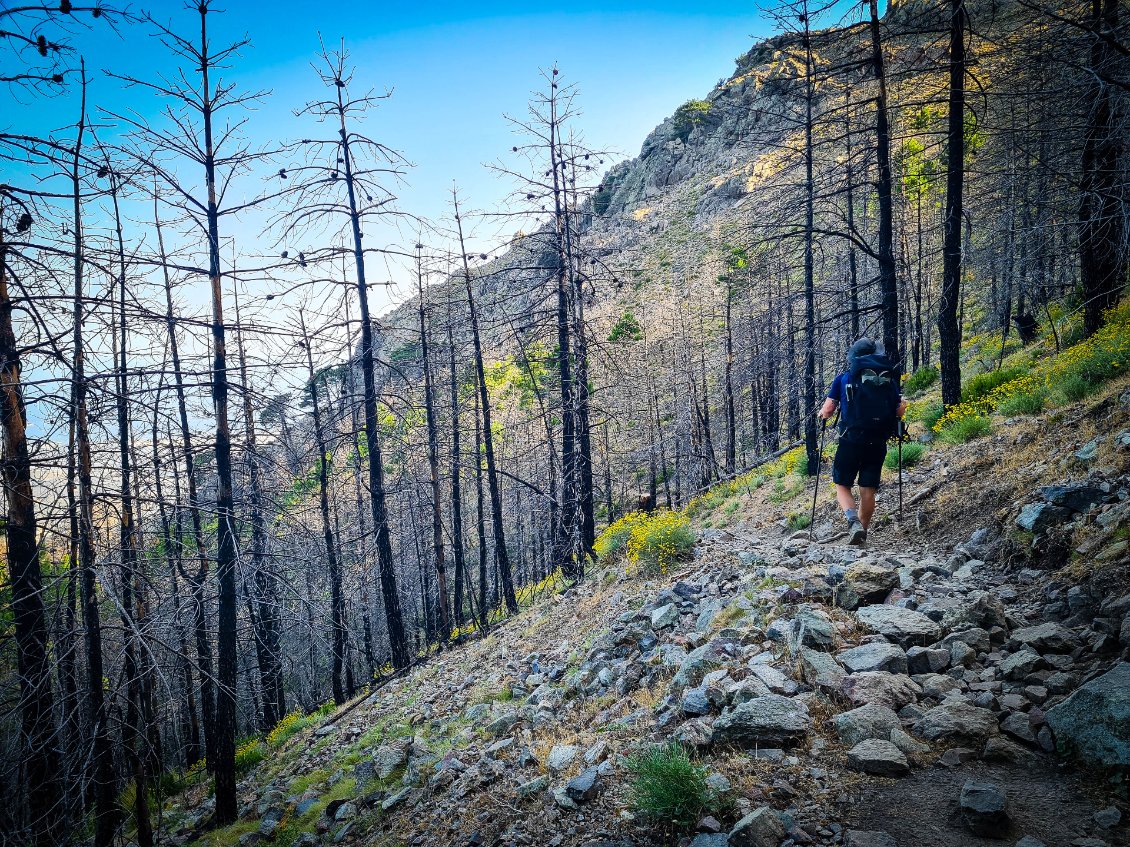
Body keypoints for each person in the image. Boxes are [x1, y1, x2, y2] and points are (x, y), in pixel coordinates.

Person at [817, 338, 907, 545]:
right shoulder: (890, 381)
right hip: (878, 440)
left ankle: (852, 522)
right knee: (868, 489)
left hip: (851, 438)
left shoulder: (843, 378)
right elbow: (899, 409)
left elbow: (828, 410)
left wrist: (823, 414)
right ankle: (861, 534)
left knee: (842, 484)